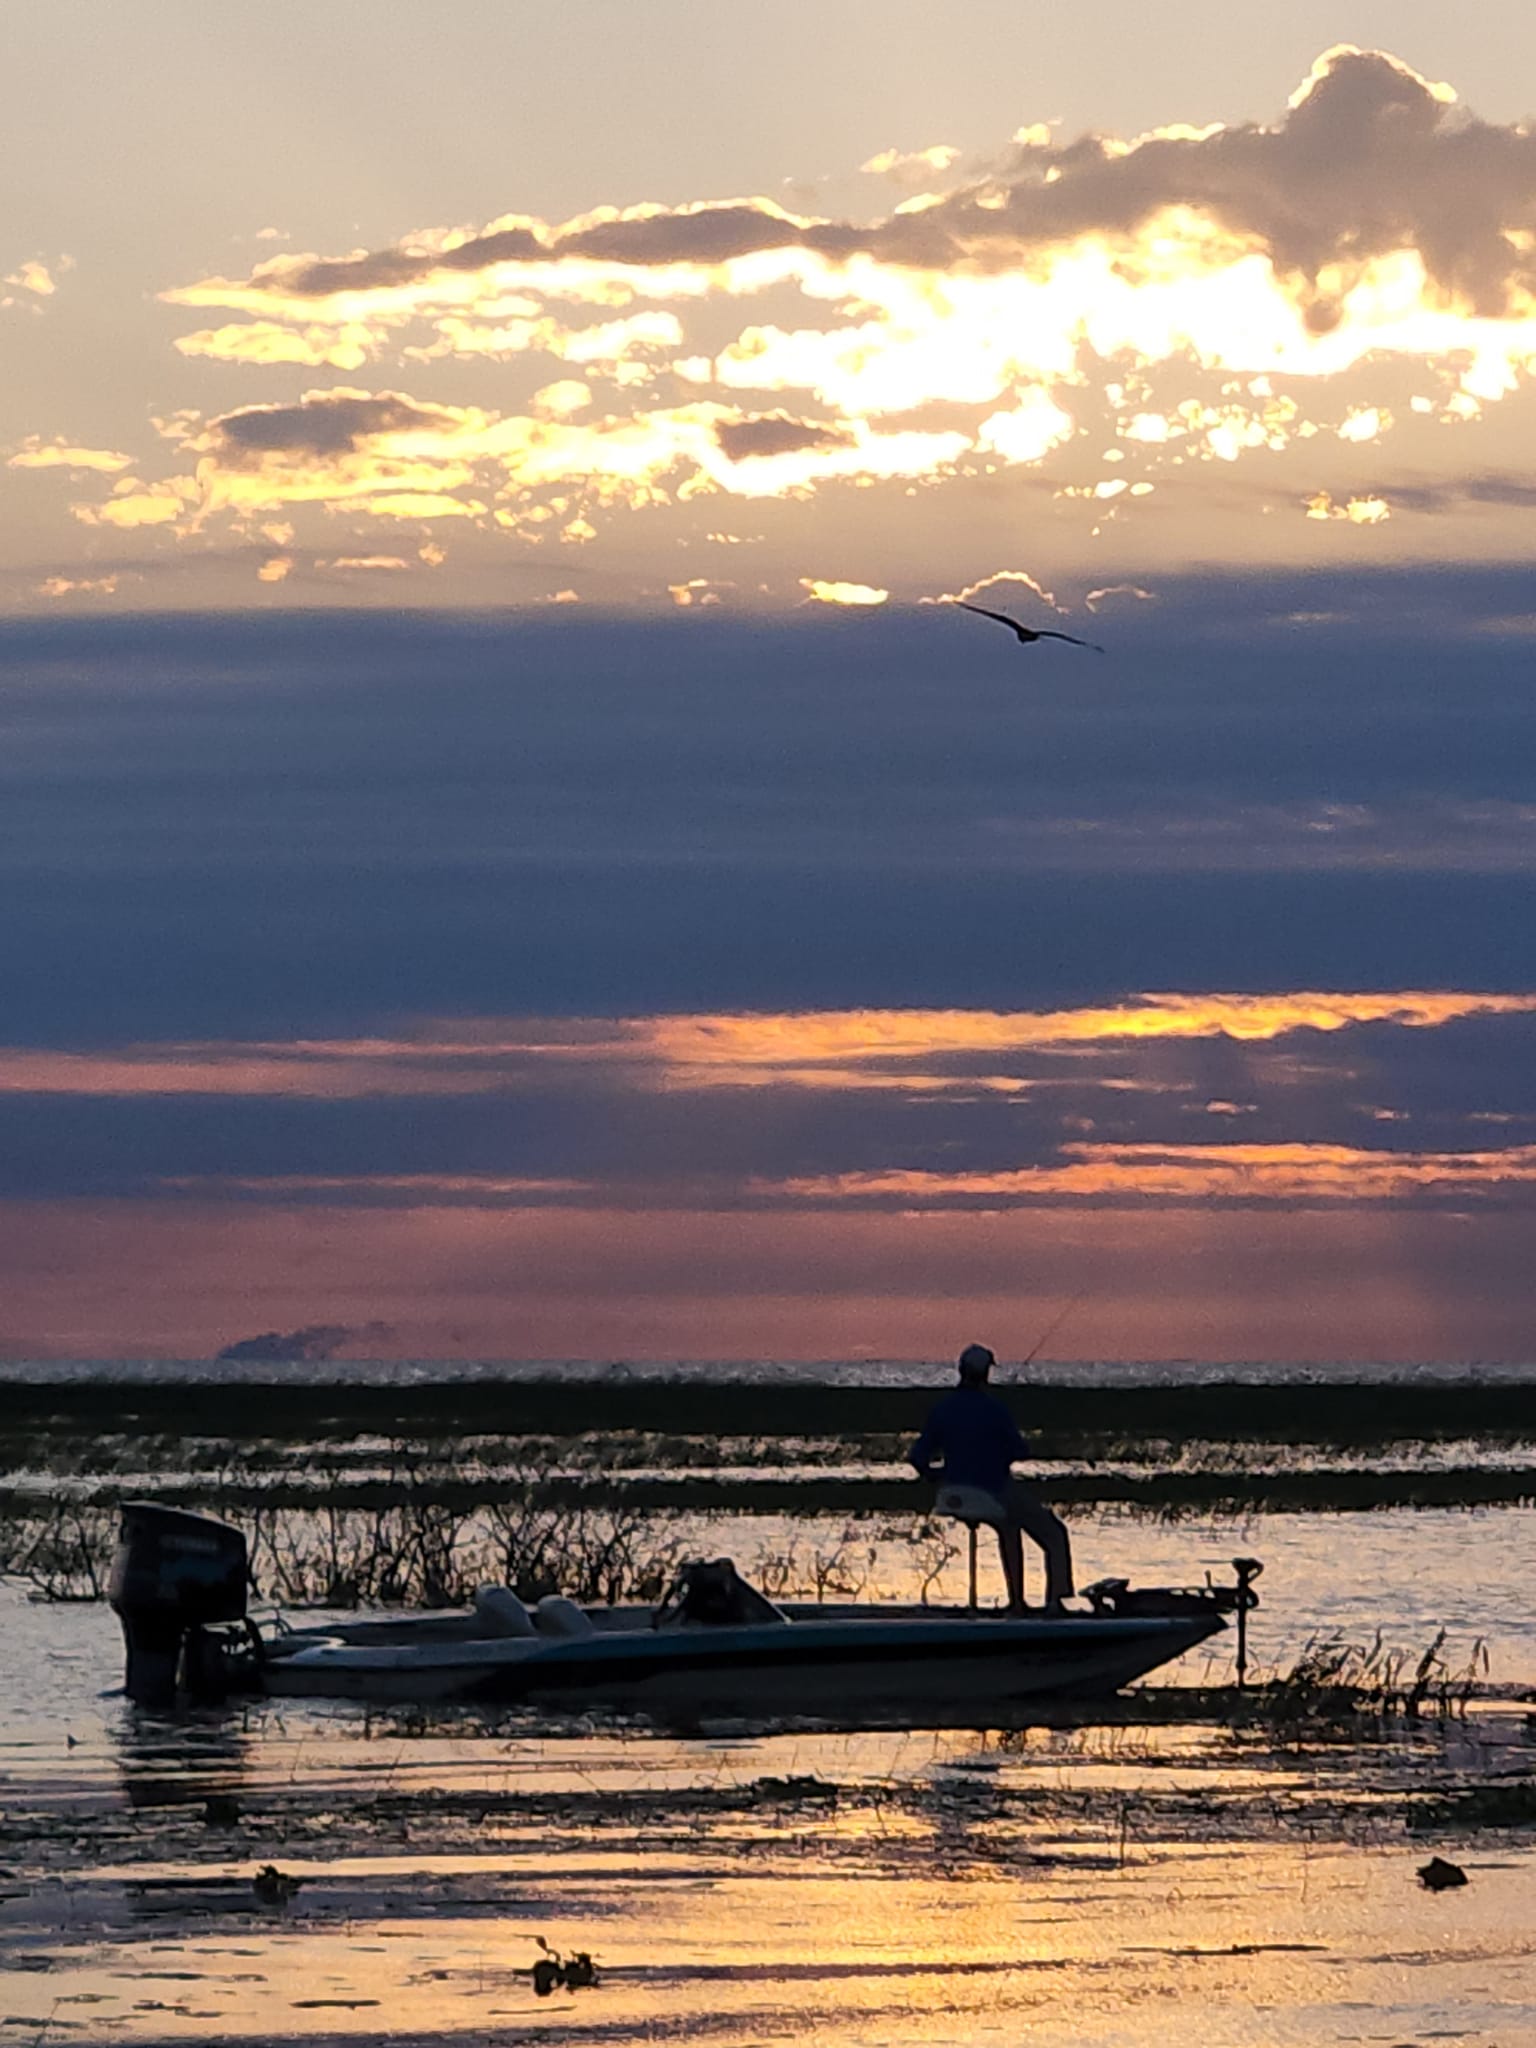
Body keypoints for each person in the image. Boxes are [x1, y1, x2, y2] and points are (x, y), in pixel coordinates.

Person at [908, 1342, 1074, 1614]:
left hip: (952, 1494)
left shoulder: (942, 1409)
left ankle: (1018, 1604)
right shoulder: (996, 1409)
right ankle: (1057, 1604)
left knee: (1008, 1527)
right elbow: (1019, 1450)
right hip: (993, 1490)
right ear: (986, 1374)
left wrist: (938, 1476)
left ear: (961, 1371)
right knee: (1054, 1535)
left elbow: (917, 1458)